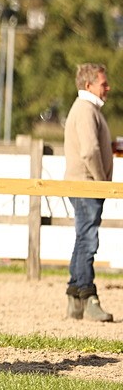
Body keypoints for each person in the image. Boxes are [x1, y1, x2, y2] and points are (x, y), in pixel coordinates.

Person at [63, 62, 114, 322]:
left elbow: (95, 145)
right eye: (103, 83)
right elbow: (90, 150)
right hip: (86, 184)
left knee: (82, 238)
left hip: (83, 183)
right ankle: (87, 295)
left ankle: (75, 297)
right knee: (88, 240)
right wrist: (100, 181)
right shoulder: (85, 110)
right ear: (89, 85)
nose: (108, 87)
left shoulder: (87, 108)